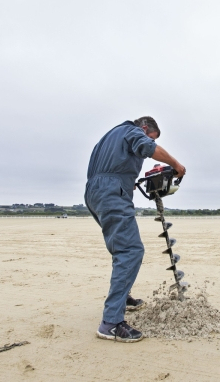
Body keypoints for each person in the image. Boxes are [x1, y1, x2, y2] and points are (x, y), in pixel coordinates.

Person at [85, 116, 186, 343]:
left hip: (94, 192)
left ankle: (123, 297)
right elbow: (146, 147)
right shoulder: (132, 131)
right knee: (130, 251)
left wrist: (126, 180)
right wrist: (176, 166)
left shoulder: (107, 138)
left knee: (120, 249)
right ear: (144, 128)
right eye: (150, 136)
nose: (147, 140)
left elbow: (108, 169)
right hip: (111, 193)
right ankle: (111, 323)